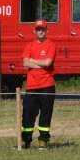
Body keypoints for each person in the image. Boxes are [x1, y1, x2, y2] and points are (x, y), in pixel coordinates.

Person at [20, 20, 57, 149]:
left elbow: (48, 63)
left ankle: (43, 140)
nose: (40, 31)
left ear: (47, 31)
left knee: (45, 114)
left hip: (47, 85)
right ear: (34, 31)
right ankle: (26, 140)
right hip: (31, 86)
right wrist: (39, 63)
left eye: (42, 29)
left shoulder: (51, 45)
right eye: (38, 29)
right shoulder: (29, 45)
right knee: (28, 114)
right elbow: (25, 63)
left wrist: (33, 61)